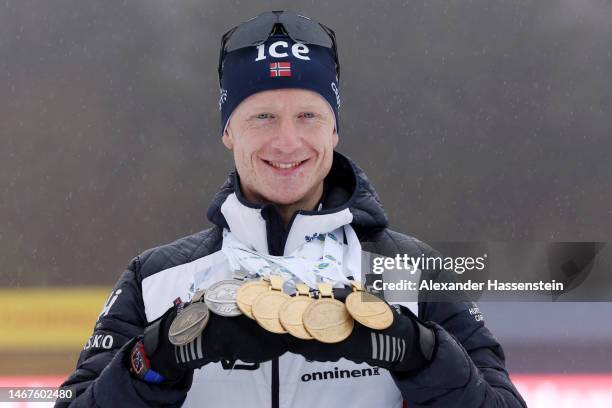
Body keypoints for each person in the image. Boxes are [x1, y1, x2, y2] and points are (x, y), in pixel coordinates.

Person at [56, 10, 526, 408]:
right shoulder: (156, 278)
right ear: (227, 132)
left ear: (334, 130)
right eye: (262, 116)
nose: (287, 141)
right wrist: (154, 360)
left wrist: (422, 355)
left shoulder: (412, 270)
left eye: (308, 115)